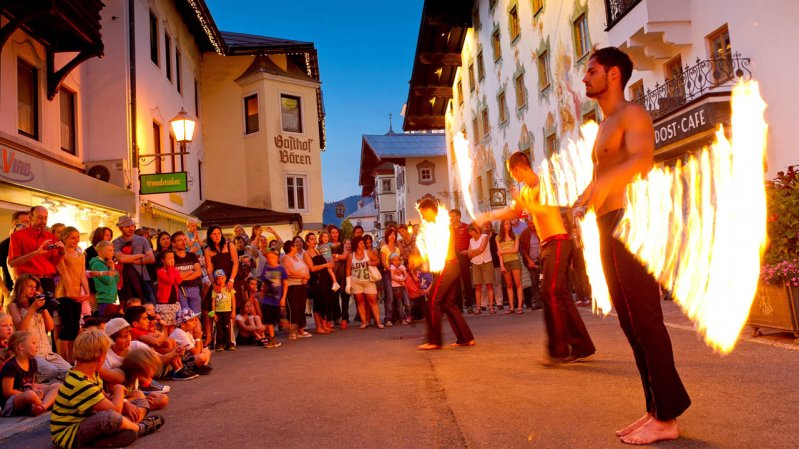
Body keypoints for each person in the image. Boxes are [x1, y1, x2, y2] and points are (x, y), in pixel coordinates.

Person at [577, 46, 690, 444]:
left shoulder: (633, 114)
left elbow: (641, 161)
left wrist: (600, 186)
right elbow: (605, 172)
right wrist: (585, 198)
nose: (585, 78)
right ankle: (655, 409)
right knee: (629, 321)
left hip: (632, 220)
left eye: (591, 71)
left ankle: (668, 416)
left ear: (612, 75)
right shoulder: (604, 124)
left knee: (645, 318)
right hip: (607, 223)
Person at [477, 152, 595, 366]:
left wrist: (523, 203)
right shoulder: (525, 191)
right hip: (547, 245)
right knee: (560, 295)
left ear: (518, 169)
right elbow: (513, 211)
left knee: (550, 293)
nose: (513, 176)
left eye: (512, 172)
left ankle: (557, 351)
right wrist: (490, 216)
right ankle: (582, 345)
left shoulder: (543, 183)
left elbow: (543, 209)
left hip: (558, 241)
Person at [50, 329, 164, 449]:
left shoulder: (92, 374)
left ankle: (117, 431)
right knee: (110, 418)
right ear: (101, 357)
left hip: (90, 420)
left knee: (140, 400)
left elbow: (104, 397)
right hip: (70, 434)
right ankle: (140, 428)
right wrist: (119, 389)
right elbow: (114, 410)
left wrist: (125, 403)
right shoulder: (79, 383)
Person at [416, 200, 475, 350]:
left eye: (423, 213)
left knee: (433, 302)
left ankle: (435, 341)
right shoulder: (438, 225)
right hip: (451, 266)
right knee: (448, 304)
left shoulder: (440, 226)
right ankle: (465, 338)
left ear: (429, 210)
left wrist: (420, 257)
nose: (422, 217)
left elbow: (439, 249)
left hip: (446, 267)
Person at [8, 273, 71, 382]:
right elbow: (20, 329)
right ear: (21, 286)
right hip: (31, 354)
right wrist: (32, 309)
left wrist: (44, 306)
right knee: (51, 371)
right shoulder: (14, 305)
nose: (33, 289)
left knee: (69, 371)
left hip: (46, 351)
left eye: (35, 287)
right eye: (29, 286)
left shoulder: (37, 304)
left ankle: (54, 389)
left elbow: (50, 327)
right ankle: (31, 385)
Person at [8, 206, 64, 304]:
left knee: (48, 316)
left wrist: (61, 252)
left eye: (45, 218)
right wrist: (35, 253)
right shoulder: (17, 236)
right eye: (40, 217)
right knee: (30, 314)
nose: (43, 221)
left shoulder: (50, 237)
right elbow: (12, 262)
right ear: (30, 217)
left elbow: (54, 263)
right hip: (29, 282)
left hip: (48, 281)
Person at [102, 317, 173, 395]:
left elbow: (158, 358)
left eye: (129, 335)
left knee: (162, 400)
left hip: (134, 388)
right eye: (124, 337)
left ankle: (145, 387)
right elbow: (108, 381)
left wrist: (175, 353)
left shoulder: (135, 345)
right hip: (117, 392)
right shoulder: (106, 355)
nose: (128, 339)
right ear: (112, 339)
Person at [124, 306, 195, 381]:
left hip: (154, 358)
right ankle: (177, 370)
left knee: (171, 343)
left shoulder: (143, 331)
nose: (148, 321)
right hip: (149, 363)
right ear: (135, 324)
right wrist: (160, 336)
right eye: (145, 319)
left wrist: (160, 336)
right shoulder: (134, 331)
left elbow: (161, 337)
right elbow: (155, 342)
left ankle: (180, 368)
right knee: (172, 349)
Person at [1, 330, 60, 416]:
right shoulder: (11, 366)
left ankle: (42, 406)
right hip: (12, 402)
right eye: (33, 343)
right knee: (30, 395)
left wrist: (36, 391)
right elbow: (7, 392)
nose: (37, 346)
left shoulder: (32, 362)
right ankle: (44, 404)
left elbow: (32, 384)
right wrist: (32, 394)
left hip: (29, 394)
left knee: (57, 386)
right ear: (21, 347)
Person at [54, 226, 90, 361]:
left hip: (76, 294)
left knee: (75, 328)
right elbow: (65, 274)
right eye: (72, 238)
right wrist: (69, 292)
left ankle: (71, 358)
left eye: (77, 237)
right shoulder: (61, 253)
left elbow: (82, 275)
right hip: (63, 293)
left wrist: (87, 292)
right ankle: (61, 358)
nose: (76, 240)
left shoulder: (80, 255)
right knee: (67, 327)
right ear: (65, 238)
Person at [203, 225, 238, 347]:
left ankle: (230, 339)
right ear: (210, 236)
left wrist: (231, 280)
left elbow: (236, 263)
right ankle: (209, 337)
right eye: (214, 234)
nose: (217, 236)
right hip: (217, 282)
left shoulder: (229, 245)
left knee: (231, 307)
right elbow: (209, 268)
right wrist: (213, 284)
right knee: (207, 308)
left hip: (230, 280)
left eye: (218, 233)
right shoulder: (207, 250)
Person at [113, 216, 156, 305]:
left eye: (133, 226)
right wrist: (140, 256)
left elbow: (151, 258)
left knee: (150, 305)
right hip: (124, 280)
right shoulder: (116, 242)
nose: (131, 228)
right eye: (128, 226)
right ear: (121, 228)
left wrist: (137, 261)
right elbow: (120, 258)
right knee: (129, 307)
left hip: (144, 277)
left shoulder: (142, 239)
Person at [345, 236, 383, 329]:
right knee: (360, 302)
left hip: (369, 281)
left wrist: (372, 263)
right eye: (361, 243)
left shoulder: (368, 252)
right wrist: (348, 284)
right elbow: (348, 270)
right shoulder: (351, 256)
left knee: (373, 301)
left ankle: (378, 322)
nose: (363, 245)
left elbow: (378, 261)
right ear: (356, 245)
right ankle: (364, 322)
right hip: (356, 281)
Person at [281, 241, 312, 339]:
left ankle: (301, 329)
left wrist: (306, 278)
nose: (297, 246)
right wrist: (302, 275)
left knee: (301, 308)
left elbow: (306, 267)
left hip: (301, 285)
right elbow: (289, 272)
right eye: (295, 245)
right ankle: (292, 332)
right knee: (293, 308)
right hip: (292, 286)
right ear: (291, 247)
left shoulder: (298, 257)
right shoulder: (285, 258)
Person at [0, 211, 30, 309]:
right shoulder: (5, 245)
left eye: (30, 222)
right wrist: (5, 291)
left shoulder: (32, 244)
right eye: (25, 222)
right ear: (15, 224)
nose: (28, 225)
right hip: (12, 293)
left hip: (31, 294)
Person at [464, 223, 495, 314]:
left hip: (486, 262)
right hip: (476, 263)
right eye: (469, 232)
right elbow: (470, 254)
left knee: (489, 285)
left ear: (477, 230)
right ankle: (478, 307)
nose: (471, 233)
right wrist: (471, 252)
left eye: (472, 231)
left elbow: (481, 249)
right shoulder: (471, 240)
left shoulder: (484, 237)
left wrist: (469, 252)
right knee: (478, 286)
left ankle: (491, 307)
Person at [170, 231, 203, 315]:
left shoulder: (192, 255)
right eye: (179, 240)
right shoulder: (171, 257)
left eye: (184, 239)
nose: (183, 242)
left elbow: (198, 272)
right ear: (173, 243)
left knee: (196, 316)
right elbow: (172, 276)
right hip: (180, 290)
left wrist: (180, 277)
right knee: (185, 317)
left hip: (194, 288)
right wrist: (190, 272)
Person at [170, 309, 212, 374]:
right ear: (183, 324)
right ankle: (198, 367)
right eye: (191, 320)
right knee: (201, 357)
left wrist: (199, 338)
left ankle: (201, 366)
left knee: (206, 351)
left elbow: (200, 350)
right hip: (179, 360)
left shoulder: (186, 332)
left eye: (194, 320)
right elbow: (197, 353)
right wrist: (198, 338)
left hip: (187, 356)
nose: (194, 323)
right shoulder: (179, 333)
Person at [496, 219, 524, 314]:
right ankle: (511, 307)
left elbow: (515, 250)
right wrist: (501, 265)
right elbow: (499, 253)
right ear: (502, 225)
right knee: (509, 285)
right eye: (506, 224)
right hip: (505, 262)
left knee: (518, 283)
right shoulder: (498, 238)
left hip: (514, 260)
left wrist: (502, 251)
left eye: (509, 224)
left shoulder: (515, 236)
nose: (508, 225)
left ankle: (520, 306)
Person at [259, 250, 286, 348]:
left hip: (277, 298)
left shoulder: (281, 269)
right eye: (268, 257)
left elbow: (285, 283)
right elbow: (264, 283)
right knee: (268, 319)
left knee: (277, 317)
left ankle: (287, 325)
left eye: (272, 257)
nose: (270, 259)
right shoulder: (266, 269)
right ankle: (272, 338)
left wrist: (283, 297)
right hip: (268, 298)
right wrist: (262, 292)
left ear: (276, 258)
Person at [448, 209, 474, 313]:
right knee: (455, 281)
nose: (451, 218)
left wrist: (468, 252)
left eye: (453, 216)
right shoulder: (448, 228)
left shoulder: (466, 227)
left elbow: (471, 241)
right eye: (450, 216)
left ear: (458, 216)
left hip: (463, 256)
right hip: (453, 257)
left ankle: (470, 305)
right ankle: (459, 306)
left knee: (466, 280)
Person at [89, 240, 120, 318]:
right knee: (105, 320)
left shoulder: (108, 262)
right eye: (109, 250)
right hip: (103, 298)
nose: (112, 253)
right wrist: (112, 267)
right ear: (100, 251)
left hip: (111, 297)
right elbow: (108, 281)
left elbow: (117, 280)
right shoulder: (96, 264)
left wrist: (111, 267)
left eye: (113, 250)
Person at [519, 216, 543, 310]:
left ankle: (547, 301)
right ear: (527, 224)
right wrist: (529, 260)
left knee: (545, 281)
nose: (532, 225)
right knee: (534, 282)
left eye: (533, 223)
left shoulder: (541, 231)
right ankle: (537, 302)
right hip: (531, 261)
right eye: (530, 224)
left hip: (542, 260)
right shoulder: (524, 234)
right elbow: (523, 249)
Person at [155, 250, 181, 335]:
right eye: (169, 258)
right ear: (163, 260)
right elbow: (170, 280)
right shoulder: (160, 271)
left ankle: (172, 344)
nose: (172, 260)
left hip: (174, 302)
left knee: (172, 326)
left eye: (173, 257)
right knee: (165, 326)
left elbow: (179, 280)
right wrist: (170, 268)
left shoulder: (174, 270)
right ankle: (166, 344)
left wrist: (172, 268)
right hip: (164, 303)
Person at [209, 269, 236, 351]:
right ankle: (219, 344)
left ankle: (230, 343)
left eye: (222, 278)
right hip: (218, 312)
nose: (220, 281)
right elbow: (213, 302)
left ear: (225, 278)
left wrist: (233, 311)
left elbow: (233, 300)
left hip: (227, 311)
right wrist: (213, 313)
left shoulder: (229, 288)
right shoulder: (215, 290)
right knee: (219, 328)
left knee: (228, 328)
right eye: (218, 279)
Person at [482, 221, 504, 310]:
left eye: (488, 225)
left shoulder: (496, 236)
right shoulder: (480, 237)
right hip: (484, 263)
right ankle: (483, 304)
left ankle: (499, 303)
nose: (486, 226)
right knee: (484, 284)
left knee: (497, 283)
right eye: (484, 225)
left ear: (491, 226)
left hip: (495, 262)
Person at [389, 253, 411, 324]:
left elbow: (406, 274)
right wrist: (401, 281)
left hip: (403, 286)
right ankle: (402, 319)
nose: (397, 261)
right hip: (396, 287)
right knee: (399, 303)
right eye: (394, 260)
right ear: (391, 261)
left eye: (398, 260)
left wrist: (404, 279)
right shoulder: (391, 267)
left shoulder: (402, 266)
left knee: (407, 302)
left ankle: (408, 316)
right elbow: (392, 276)